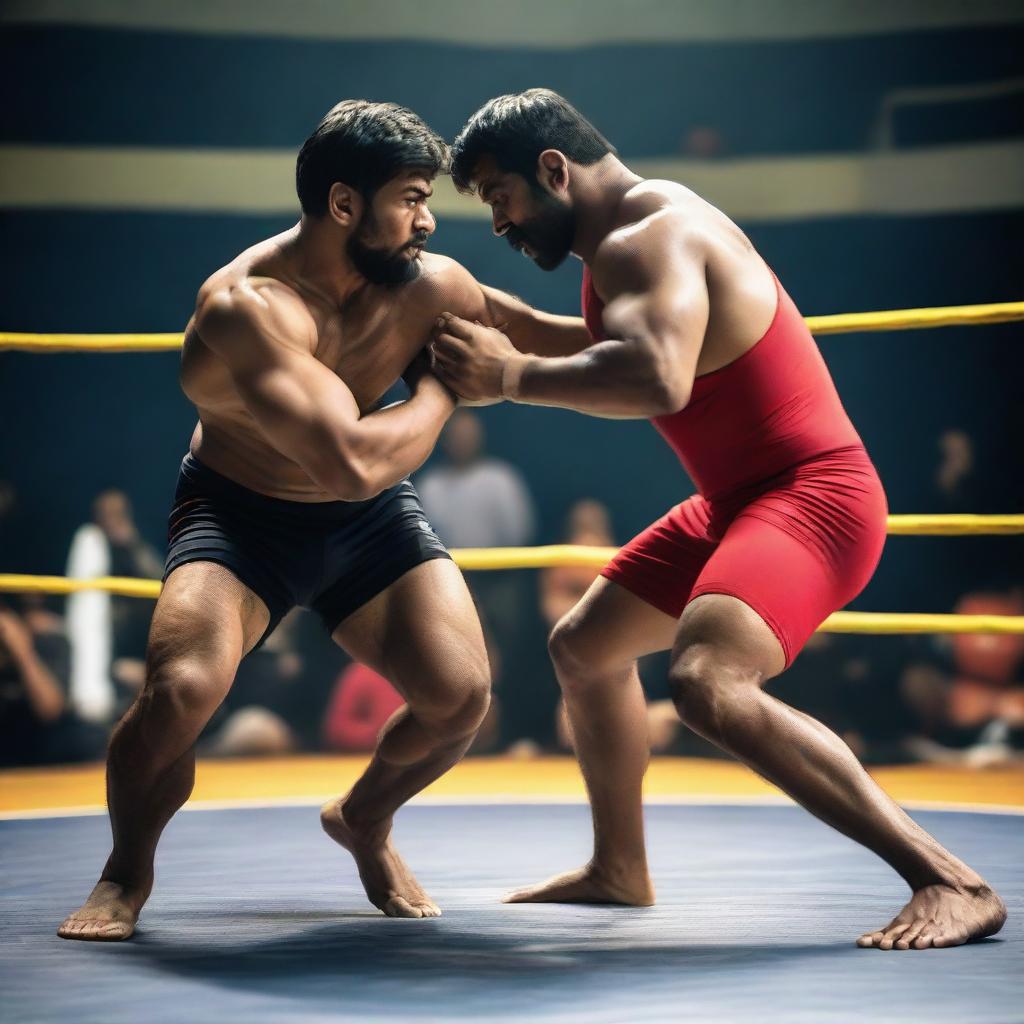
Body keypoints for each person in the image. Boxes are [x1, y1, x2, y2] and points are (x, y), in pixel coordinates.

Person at [430, 88, 1005, 950]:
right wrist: (519, 327)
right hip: (738, 502)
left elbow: (657, 379)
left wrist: (508, 375)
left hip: (815, 496)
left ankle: (950, 879)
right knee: (583, 649)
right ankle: (619, 868)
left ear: (553, 169)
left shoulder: (647, 235)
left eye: (497, 196)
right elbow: (637, 344)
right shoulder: (624, 243)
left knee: (705, 682)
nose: (499, 223)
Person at [57, 100, 508, 941]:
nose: (428, 218)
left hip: (368, 525)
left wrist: (664, 344)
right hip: (242, 517)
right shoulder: (245, 307)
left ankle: (364, 819)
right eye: (411, 197)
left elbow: (525, 340)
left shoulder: (427, 282)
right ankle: (126, 870)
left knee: (460, 696)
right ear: (345, 206)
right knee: (180, 691)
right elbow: (353, 461)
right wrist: (446, 388)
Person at [65, 489, 163, 724]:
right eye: (107, 514)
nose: (113, 520)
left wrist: (133, 545)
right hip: (107, 665)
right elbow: (84, 625)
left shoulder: (138, 552)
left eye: (118, 514)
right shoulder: (88, 548)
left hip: (142, 655)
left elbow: (163, 587)